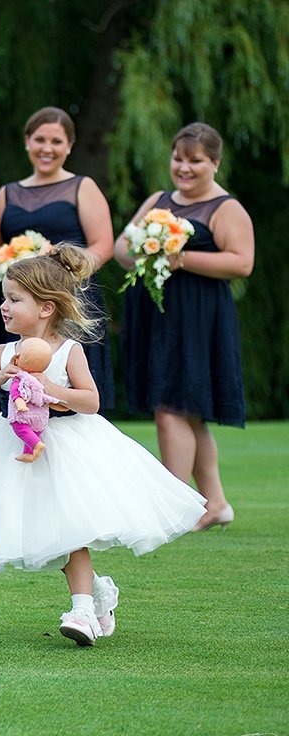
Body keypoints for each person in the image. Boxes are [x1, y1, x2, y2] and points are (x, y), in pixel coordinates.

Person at [0, 246, 205, 646]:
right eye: (4, 298)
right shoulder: (2, 353)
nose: (3, 306)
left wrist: (52, 390)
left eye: (14, 299)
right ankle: (98, 590)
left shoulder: (68, 351)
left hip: (67, 448)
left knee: (70, 531)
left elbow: (90, 400)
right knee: (46, 534)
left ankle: (81, 612)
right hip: (20, 450)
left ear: (46, 308)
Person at [114, 122, 254, 531]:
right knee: (186, 412)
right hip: (156, 315)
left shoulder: (226, 208)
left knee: (172, 407)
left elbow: (242, 262)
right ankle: (215, 504)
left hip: (198, 317)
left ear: (215, 162)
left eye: (195, 161)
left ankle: (176, 506)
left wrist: (181, 257)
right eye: (179, 158)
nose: (185, 168)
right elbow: (124, 247)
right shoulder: (158, 200)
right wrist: (145, 250)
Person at [0, 107, 115, 407]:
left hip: (69, 299)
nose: (47, 148)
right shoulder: (7, 194)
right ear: (27, 141)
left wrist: (63, 268)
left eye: (57, 141)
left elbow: (103, 245)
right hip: (22, 306)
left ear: (69, 146)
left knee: (71, 386)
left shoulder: (81, 187)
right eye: (39, 140)